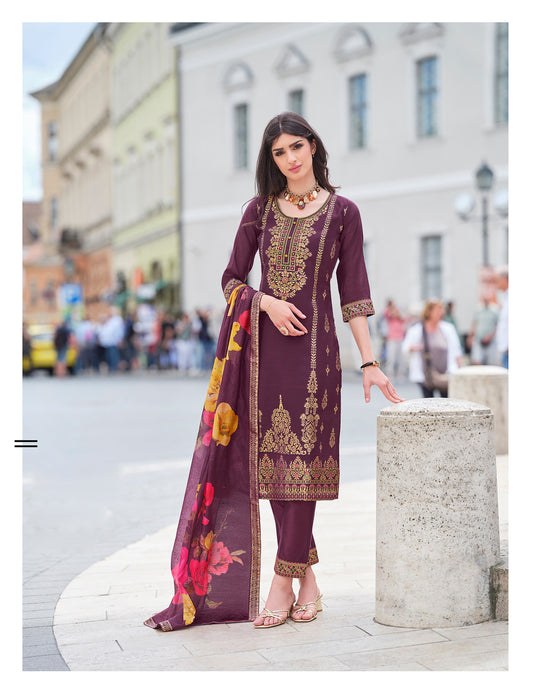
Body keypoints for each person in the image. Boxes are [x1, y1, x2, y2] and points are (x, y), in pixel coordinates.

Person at [144, 112, 403, 634]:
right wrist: (264, 303)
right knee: (278, 473)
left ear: (313, 147)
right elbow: (230, 280)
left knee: (302, 469)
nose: (291, 158)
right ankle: (306, 583)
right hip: (263, 357)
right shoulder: (258, 212)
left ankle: (282, 583)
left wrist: (369, 363)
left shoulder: (344, 214)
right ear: (272, 160)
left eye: (297, 147)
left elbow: (353, 294)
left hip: (315, 360)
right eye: (279, 152)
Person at [402, 298, 463, 397]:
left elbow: (456, 351)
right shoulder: (417, 330)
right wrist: (415, 348)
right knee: (428, 404)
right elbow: (405, 347)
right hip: (425, 376)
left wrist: (460, 370)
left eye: (441, 309)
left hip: (445, 375)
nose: (441, 312)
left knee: (446, 403)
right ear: (429, 312)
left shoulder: (448, 329)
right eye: (438, 310)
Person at [467, 296, 500, 365]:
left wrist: (490, 336)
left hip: (491, 341)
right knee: (477, 361)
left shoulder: (495, 310)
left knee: (491, 363)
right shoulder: (478, 309)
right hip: (479, 339)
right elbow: (474, 323)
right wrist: (470, 337)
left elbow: (497, 324)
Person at [382, 299, 406, 380]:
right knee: (391, 357)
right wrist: (391, 307)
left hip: (400, 338)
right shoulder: (389, 315)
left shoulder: (400, 317)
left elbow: (404, 317)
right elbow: (385, 313)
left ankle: (400, 372)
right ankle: (390, 372)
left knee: (401, 357)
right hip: (391, 338)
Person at [495, 266, 508, 369]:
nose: (496, 283)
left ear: (505, 279)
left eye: (497, 280)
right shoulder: (505, 298)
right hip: (505, 349)